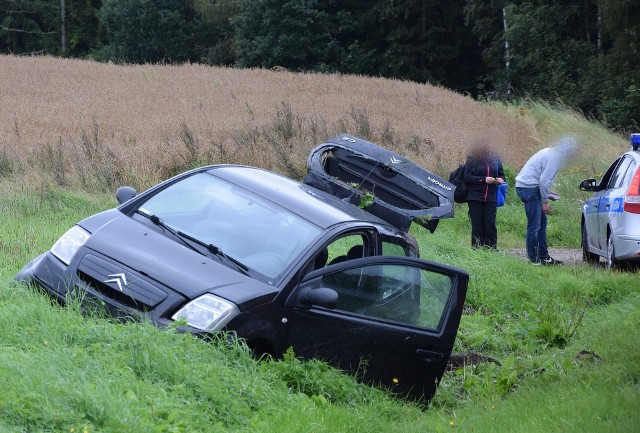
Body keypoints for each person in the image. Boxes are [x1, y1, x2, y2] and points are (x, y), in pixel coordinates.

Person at [515, 135, 579, 265]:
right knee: (534, 225)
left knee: (542, 224)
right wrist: (544, 201)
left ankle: (544, 257)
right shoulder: (555, 157)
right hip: (528, 188)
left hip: (529, 187)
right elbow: (544, 181)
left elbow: (541, 179)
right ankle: (534, 260)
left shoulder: (550, 152)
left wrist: (547, 194)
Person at [462, 142, 505, 249]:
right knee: (477, 226)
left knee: (490, 224)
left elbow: (501, 174)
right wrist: (483, 179)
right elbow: (467, 177)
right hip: (475, 197)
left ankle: (491, 249)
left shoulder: (495, 158)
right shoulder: (472, 158)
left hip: (491, 197)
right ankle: (477, 249)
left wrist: (501, 179)